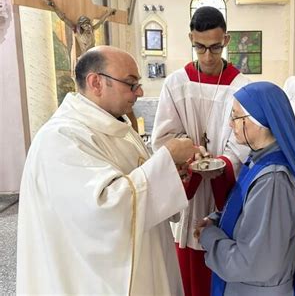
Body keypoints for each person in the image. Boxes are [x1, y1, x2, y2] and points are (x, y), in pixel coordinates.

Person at [16, 46, 200, 294]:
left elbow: (138, 180)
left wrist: (172, 172)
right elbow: (105, 208)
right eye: (131, 83)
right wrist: (167, 158)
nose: (140, 92)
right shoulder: (61, 138)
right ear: (96, 82)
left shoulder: (116, 127)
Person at [151, 6, 250, 296]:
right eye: (200, 48)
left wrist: (222, 163)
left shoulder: (240, 85)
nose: (207, 56)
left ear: (227, 40)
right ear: (191, 40)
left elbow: (243, 142)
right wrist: (192, 153)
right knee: (191, 275)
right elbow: (163, 137)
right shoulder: (176, 83)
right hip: (190, 193)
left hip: (224, 191)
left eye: (215, 48)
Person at [194, 82, 295, 296]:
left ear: (259, 121)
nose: (230, 124)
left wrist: (209, 236)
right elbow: (250, 214)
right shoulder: (259, 160)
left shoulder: (273, 180)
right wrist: (217, 220)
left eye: (236, 117)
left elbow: (254, 263)